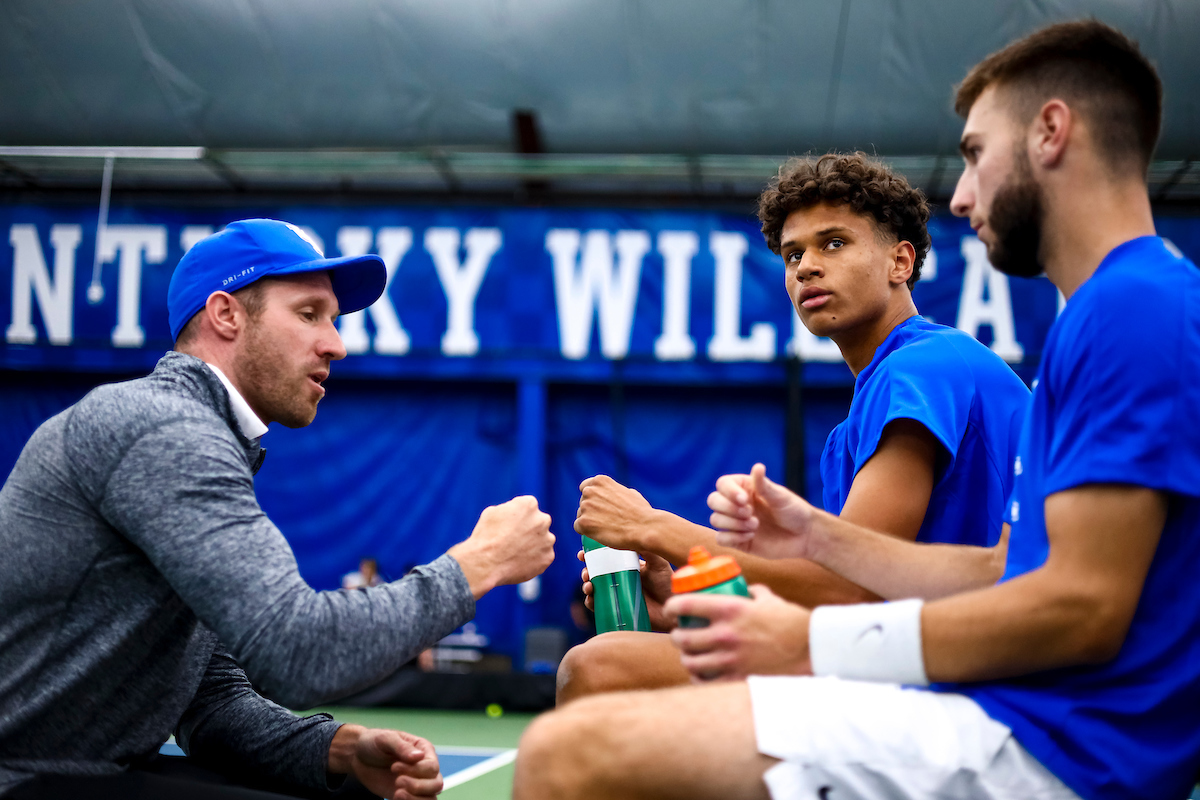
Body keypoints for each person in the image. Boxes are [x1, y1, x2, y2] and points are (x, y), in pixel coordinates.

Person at [514, 19, 1200, 800]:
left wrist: (685, 545)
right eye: (794, 254)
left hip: (1047, 740)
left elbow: (1074, 608)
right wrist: (804, 540)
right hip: (1020, 712)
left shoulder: (1114, 313)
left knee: (575, 733)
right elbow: (1004, 569)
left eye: (975, 153)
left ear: (1051, 131)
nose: (962, 193)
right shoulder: (1092, 319)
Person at [0, 219, 557, 800]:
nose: (336, 344)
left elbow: (209, 700)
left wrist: (338, 749)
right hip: (26, 777)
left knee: (352, 790)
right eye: (310, 314)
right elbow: (300, 650)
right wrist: (479, 564)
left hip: (73, 768)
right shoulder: (162, 430)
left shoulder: (193, 437)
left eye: (334, 320)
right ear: (226, 316)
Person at [558, 153, 1029, 703]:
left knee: (598, 668)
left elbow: (850, 592)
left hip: (969, 683)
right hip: (916, 665)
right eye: (793, 254)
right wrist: (682, 594)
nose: (806, 266)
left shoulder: (922, 366)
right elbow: (840, 606)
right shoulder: (864, 416)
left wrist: (653, 527)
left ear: (900, 262)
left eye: (834, 243)